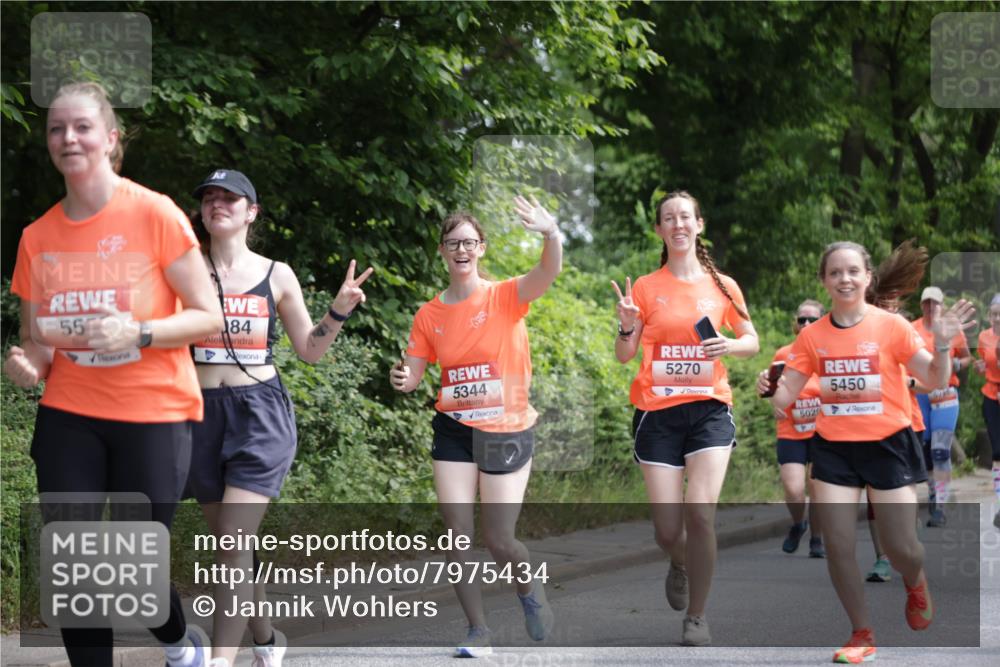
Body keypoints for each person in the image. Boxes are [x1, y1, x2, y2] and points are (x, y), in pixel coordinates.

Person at [4, 82, 222, 667]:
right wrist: (29, 362)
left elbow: (208, 316)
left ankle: (178, 642)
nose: (67, 138)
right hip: (70, 414)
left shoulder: (153, 214)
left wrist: (139, 332)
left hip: (154, 412)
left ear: (110, 138)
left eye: (81, 127)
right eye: (56, 129)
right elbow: (38, 338)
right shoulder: (37, 238)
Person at [185, 169, 372, 667]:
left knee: (231, 541)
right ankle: (266, 637)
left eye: (231, 198)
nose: (217, 204)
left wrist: (337, 311)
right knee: (232, 545)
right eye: (210, 198)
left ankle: (221, 660)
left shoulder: (277, 273)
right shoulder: (182, 270)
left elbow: (309, 351)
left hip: (259, 415)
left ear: (252, 212)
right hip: (198, 416)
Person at [760, 240, 974, 664]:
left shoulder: (891, 327)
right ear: (824, 280)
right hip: (834, 450)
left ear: (868, 277)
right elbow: (785, 400)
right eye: (835, 272)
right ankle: (861, 633)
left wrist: (945, 346)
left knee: (901, 548)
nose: (845, 279)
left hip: (888, 446)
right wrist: (769, 389)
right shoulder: (812, 335)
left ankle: (915, 580)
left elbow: (933, 379)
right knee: (839, 547)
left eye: (853, 271)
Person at [389, 197, 561, 657]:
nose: (461, 250)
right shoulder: (429, 314)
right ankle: (477, 630)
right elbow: (415, 370)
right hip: (453, 429)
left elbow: (546, 274)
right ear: (442, 252)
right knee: (456, 532)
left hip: (505, 428)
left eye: (469, 242)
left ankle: (528, 590)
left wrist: (550, 234)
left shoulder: (504, 295)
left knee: (499, 539)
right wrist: (405, 378)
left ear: (481, 248)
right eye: (453, 243)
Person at [612, 191, 759, 646]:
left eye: (685, 217)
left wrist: (728, 347)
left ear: (699, 224)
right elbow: (624, 356)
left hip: (710, 409)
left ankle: (696, 616)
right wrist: (624, 324)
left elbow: (751, 339)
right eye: (668, 219)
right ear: (659, 230)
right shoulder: (645, 288)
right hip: (656, 414)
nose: (677, 224)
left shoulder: (724, 286)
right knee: (667, 530)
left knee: (700, 514)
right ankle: (678, 560)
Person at [911, 286, 972, 527]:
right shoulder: (912, 329)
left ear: (941, 304)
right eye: (926, 303)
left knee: (940, 449)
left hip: (945, 393)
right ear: (921, 305)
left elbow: (967, 357)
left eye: (934, 303)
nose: (930, 307)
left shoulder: (950, 329)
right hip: (919, 394)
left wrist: (955, 364)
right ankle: (935, 495)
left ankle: (940, 507)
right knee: (925, 450)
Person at [769, 300, 824, 558]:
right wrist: (774, 403)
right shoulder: (784, 354)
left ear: (822, 322)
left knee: (817, 487)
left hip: (821, 431)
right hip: (791, 430)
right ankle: (798, 523)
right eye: (802, 319)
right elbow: (772, 386)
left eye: (812, 320)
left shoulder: (828, 352)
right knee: (793, 489)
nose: (806, 324)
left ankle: (817, 538)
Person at [973, 293, 1000, 529]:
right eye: (994, 314)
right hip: (991, 395)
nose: (997, 318)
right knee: (997, 451)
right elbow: (982, 365)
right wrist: (979, 367)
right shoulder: (984, 337)